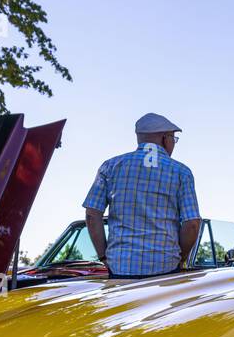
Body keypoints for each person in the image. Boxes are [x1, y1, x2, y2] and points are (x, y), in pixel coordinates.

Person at [84, 113, 202, 279]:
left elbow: (91, 215)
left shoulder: (110, 167)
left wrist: (103, 256)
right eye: (173, 139)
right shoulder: (181, 172)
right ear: (164, 138)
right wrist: (179, 259)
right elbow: (192, 224)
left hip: (120, 268)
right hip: (166, 268)